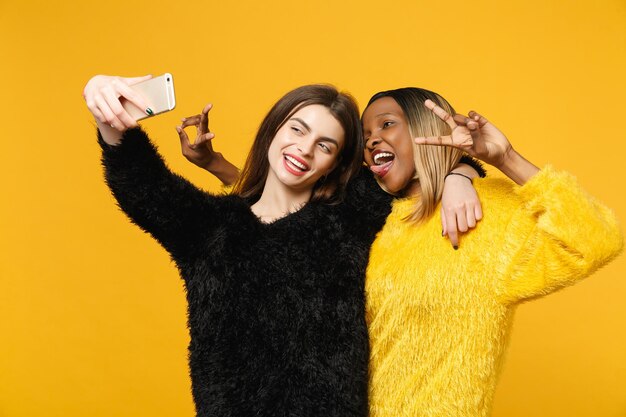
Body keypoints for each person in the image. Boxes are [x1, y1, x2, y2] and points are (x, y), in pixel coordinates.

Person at [82, 75, 482, 417]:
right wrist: (105, 104)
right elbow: (142, 184)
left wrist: (460, 174)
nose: (306, 149)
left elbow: (413, 165)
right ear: (274, 129)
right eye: (297, 129)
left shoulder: (350, 213)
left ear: (337, 165)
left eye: (325, 145)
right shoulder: (210, 229)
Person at [360, 87, 623, 417]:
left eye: (386, 125)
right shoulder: (368, 221)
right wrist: (461, 172)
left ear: (425, 129)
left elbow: (597, 238)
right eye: (365, 134)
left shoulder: (485, 213)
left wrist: (505, 157)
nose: (371, 141)